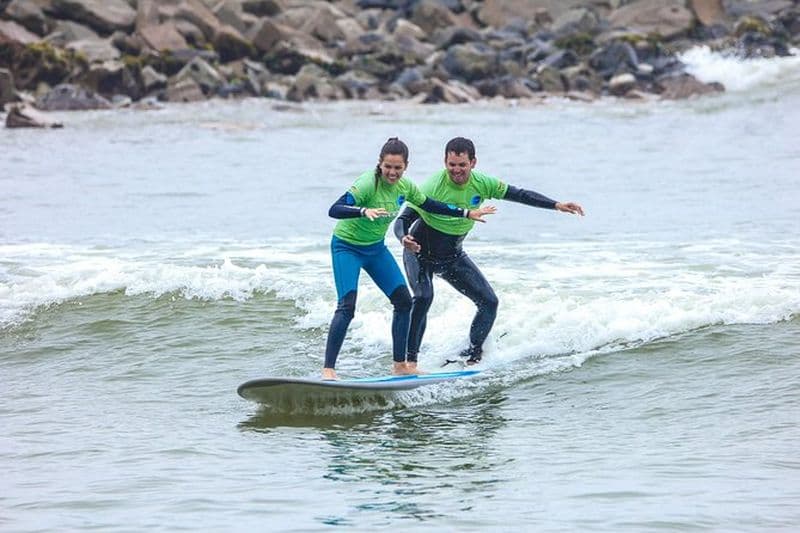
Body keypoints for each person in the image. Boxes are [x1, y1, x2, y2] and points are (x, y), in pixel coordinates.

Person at [393, 137, 584, 367]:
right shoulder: (432, 186)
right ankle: (409, 362)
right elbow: (403, 218)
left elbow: (519, 194)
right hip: (419, 252)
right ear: (445, 161)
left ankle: (472, 354)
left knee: (489, 302)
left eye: (462, 165)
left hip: (452, 255)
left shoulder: (483, 183)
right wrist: (404, 238)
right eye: (452, 164)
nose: (456, 170)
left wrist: (555, 205)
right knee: (423, 297)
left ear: (473, 162)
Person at [323, 137, 495, 380]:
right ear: (380, 164)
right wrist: (363, 210)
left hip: (375, 249)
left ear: (406, 167)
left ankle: (401, 365)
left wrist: (467, 212)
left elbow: (433, 205)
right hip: (347, 248)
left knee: (404, 301)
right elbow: (335, 209)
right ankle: (329, 371)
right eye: (388, 167)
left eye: (397, 168)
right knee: (347, 307)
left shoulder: (406, 188)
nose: (392, 173)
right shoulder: (366, 185)